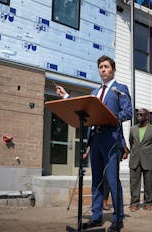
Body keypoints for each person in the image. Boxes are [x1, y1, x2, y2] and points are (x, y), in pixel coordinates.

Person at [56, 55, 132, 231]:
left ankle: (118, 218)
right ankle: (96, 217)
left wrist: (112, 118)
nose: (103, 70)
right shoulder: (94, 93)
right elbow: (85, 110)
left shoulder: (120, 89)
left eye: (106, 67)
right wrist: (66, 96)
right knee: (96, 180)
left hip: (111, 138)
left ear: (113, 69)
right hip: (96, 139)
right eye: (100, 67)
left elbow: (128, 112)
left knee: (112, 180)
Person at [128, 108, 152, 212]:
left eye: (141, 114)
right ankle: (134, 203)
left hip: (149, 160)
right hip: (135, 160)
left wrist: (149, 154)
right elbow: (131, 142)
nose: (139, 116)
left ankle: (148, 203)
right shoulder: (132, 129)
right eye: (138, 114)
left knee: (148, 183)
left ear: (147, 116)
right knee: (134, 183)